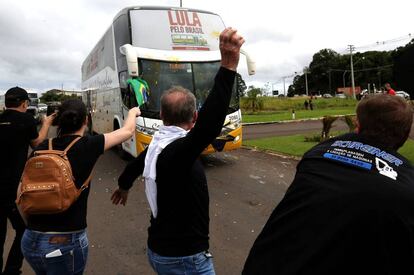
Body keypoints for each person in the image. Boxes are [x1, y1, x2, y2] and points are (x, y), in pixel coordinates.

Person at [111, 27, 244, 275]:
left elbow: (134, 167)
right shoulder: (178, 152)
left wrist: (123, 186)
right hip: (185, 259)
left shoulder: (158, 147)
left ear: (161, 116)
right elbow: (209, 127)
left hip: (161, 252)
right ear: (194, 117)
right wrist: (227, 67)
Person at [243, 94, 414, 275]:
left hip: (265, 264)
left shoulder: (317, 155)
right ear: (405, 135)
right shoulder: (406, 184)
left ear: (358, 125)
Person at [20, 99, 140, 275]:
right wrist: (132, 112)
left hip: (30, 241)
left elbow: (21, 195)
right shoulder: (87, 145)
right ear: (86, 120)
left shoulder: (41, 148)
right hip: (64, 242)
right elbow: (127, 131)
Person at [0, 87, 55, 275]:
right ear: (25, 103)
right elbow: (37, 144)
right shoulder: (26, 120)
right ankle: (12, 269)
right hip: (13, 189)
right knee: (24, 230)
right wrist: (46, 123)